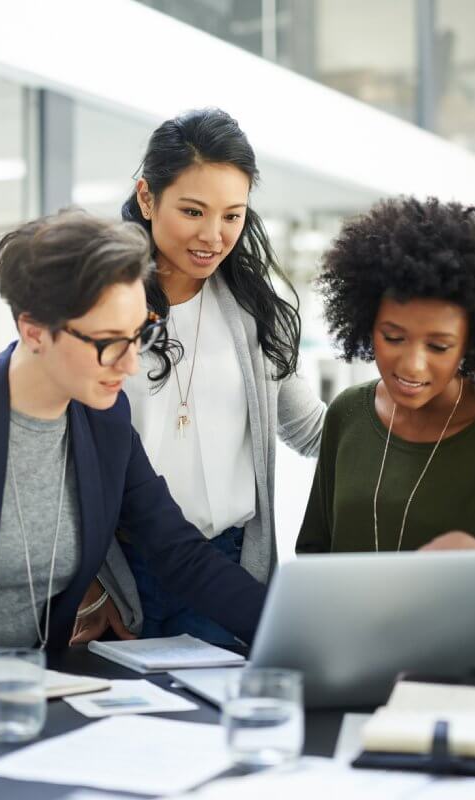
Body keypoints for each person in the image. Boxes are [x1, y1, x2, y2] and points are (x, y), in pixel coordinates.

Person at [0, 210, 266, 659]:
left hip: (40, 689)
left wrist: (294, 631)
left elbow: (178, 553)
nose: (130, 364)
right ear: (34, 331)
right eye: (108, 343)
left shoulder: (104, 421)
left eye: (138, 336)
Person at [87, 108, 325, 645]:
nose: (214, 236)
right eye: (193, 211)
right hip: (121, 573)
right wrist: (86, 585)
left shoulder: (259, 309)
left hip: (229, 568)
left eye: (232, 216)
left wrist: (415, 421)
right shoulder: (100, 307)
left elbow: (310, 431)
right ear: (147, 198)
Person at [297, 197, 475, 666]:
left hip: (467, 694)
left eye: (439, 345)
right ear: (365, 324)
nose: (412, 365)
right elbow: (313, 563)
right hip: (352, 676)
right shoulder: (348, 415)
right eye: (393, 337)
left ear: (472, 343)